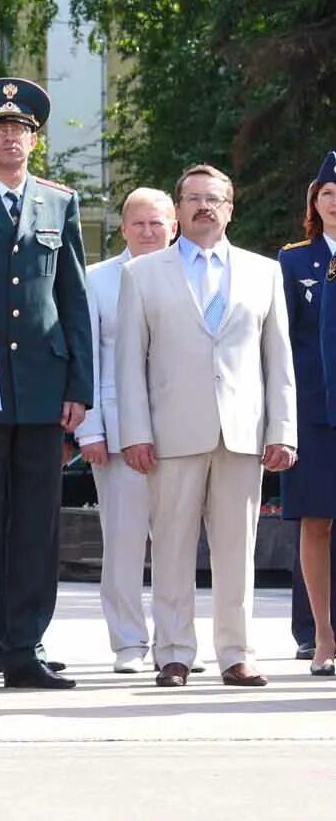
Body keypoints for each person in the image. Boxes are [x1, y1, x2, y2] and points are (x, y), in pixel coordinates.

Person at [116, 163, 296, 688]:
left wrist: (282, 429)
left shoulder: (264, 272)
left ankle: (236, 653)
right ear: (178, 210)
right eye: (193, 198)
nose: (204, 206)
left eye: (214, 198)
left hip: (242, 432)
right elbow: (130, 362)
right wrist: (135, 432)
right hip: (171, 433)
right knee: (170, 544)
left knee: (238, 549)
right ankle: (173, 652)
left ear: (230, 208)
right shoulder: (142, 274)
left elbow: (279, 359)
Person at [0, 78, 91, 691]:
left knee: (36, 526)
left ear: (34, 139)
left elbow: (72, 299)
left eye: (21, 129)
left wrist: (78, 384)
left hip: (40, 384)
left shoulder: (59, 202)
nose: (11, 137)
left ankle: (25, 647)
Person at [76, 188, 177, 673]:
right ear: (123, 229)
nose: (148, 231)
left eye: (157, 223)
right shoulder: (96, 281)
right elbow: (88, 358)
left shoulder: (190, 275)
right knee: (123, 541)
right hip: (115, 432)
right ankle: (129, 644)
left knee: (177, 542)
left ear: (173, 227)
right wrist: (89, 430)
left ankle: (175, 642)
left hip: (182, 431)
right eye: (138, 223)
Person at [279, 152, 336, 675]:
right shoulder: (295, 261)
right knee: (315, 523)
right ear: (315, 203)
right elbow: (280, 344)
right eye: (327, 194)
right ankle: (321, 637)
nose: (335, 203)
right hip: (315, 413)